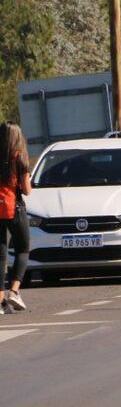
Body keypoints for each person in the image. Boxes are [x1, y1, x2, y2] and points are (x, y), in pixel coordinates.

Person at [0, 122, 31, 312]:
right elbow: (27, 190)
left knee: (0, 254)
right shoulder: (19, 158)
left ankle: (0, 300)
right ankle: (14, 291)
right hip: (14, 208)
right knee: (23, 249)